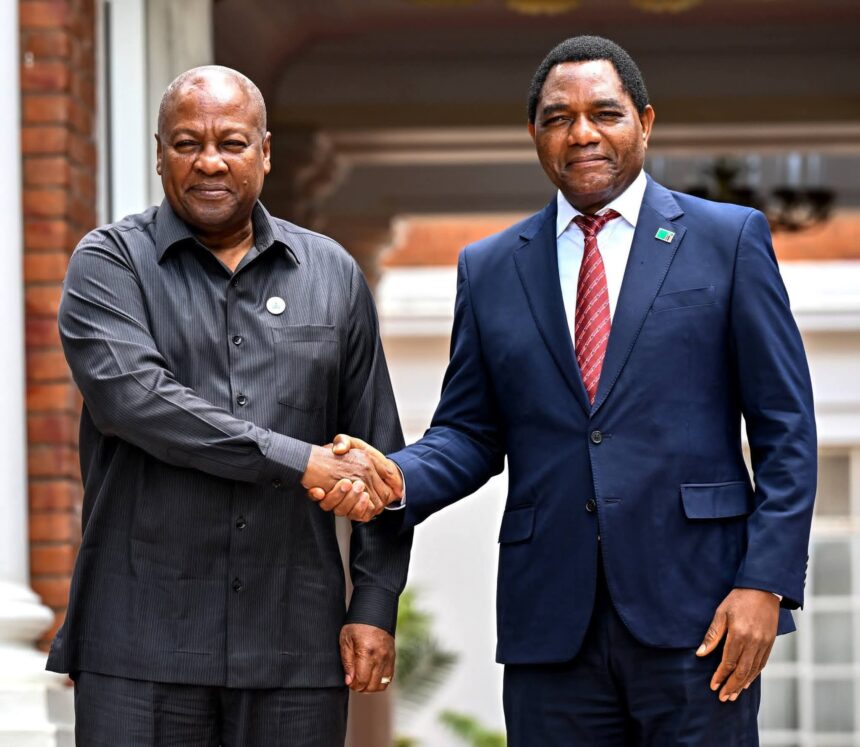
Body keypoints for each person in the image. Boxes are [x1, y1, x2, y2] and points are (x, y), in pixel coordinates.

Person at [309, 36, 817, 745]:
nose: (582, 133)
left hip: (700, 617)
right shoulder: (489, 267)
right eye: (558, 118)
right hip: (551, 626)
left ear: (644, 121)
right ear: (534, 134)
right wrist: (396, 477)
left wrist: (764, 583)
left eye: (604, 113)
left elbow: (786, 429)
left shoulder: (727, 240)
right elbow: (470, 431)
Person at [49, 65, 411, 746]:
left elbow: (377, 457)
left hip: (294, 645)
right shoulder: (109, 263)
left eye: (232, 143)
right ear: (160, 154)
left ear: (265, 152)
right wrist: (301, 460)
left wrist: (374, 600)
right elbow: (138, 400)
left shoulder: (332, 276)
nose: (209, 161)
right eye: (187, 143)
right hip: (139, 647)